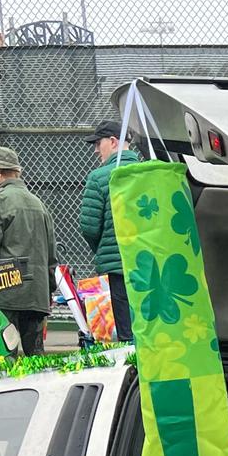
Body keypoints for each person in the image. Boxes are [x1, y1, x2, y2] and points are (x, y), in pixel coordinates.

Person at [0, 145, 57, 355]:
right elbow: (51, 256)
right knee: (36, 359)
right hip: (36, 295)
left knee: (3, 357)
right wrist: (47, 290)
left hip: (5, 294)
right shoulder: (39, 203)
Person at [78, 120, 142, 342]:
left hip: (117, 270)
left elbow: (89, 227)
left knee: (124, 332)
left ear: (113, 142)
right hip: (149, 266)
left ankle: (129, 371)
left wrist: (103, 249)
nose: (96, 150)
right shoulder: (149, 173)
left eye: (98, 143)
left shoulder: (99, 177)